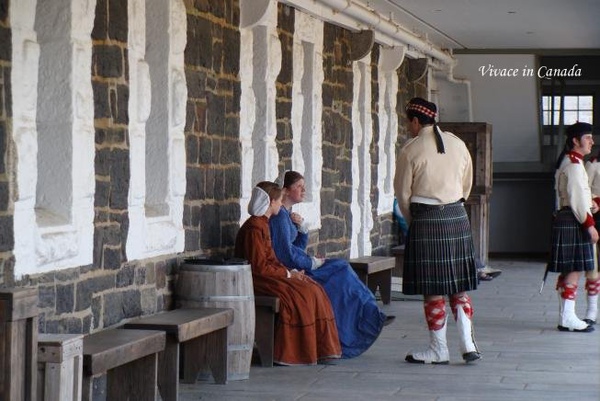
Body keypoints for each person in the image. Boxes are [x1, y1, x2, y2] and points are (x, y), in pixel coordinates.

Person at [269, 171, 394, 358]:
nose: (303, 190)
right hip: (291, 272)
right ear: (286, 191)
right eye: (299, 187)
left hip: (298, 265)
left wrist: (302, 229)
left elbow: (296, 248)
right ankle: (366, 318)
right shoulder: (279, 218)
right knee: (340, 272)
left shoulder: (287, 216)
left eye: (304, 186)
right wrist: (312, 263)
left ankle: (370, 313)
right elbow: (285, 255)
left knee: (341, 268)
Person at [394, 97, 481, 364]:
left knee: (432, 288)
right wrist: (453, 205)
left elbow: (402, 194)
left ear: (416, 121)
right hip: (457, 216)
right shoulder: (457, 144)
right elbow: (467, 186)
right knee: (458, 286)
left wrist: (414, 221)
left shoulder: (410, 149)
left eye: (409, 121)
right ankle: (468, 345)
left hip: (426, 218)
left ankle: (439, 350)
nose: (409, 126)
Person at [234, 181, 342, 365]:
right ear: (270, 202)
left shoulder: (262, 224)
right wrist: (288, 276)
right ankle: (294, 352)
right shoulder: (254, 228)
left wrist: (290, 272)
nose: (279, 204)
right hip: (258, 280)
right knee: (301, 295)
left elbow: (271, 259)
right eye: (278, 201)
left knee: (312, 287)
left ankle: (321, 349)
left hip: (268, 275)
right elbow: (259, 268)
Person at [547, 122, 597, 332]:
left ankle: (566, 316)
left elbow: (578, 195)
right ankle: (568, 317)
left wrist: (591, 202)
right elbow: (576, 201)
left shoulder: (570, 161)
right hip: (574, 219)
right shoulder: (575, 165)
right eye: (587, 138)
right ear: (576, 141)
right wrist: (590, 226)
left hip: (567, 217)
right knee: (575, 268)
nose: (592, 142)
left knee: (570, 268)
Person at [583, 147, 600, 325]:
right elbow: (584, 189)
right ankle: (592, 309)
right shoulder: (593, 165)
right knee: (595, 267)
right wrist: (595, 201)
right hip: (598, 219)